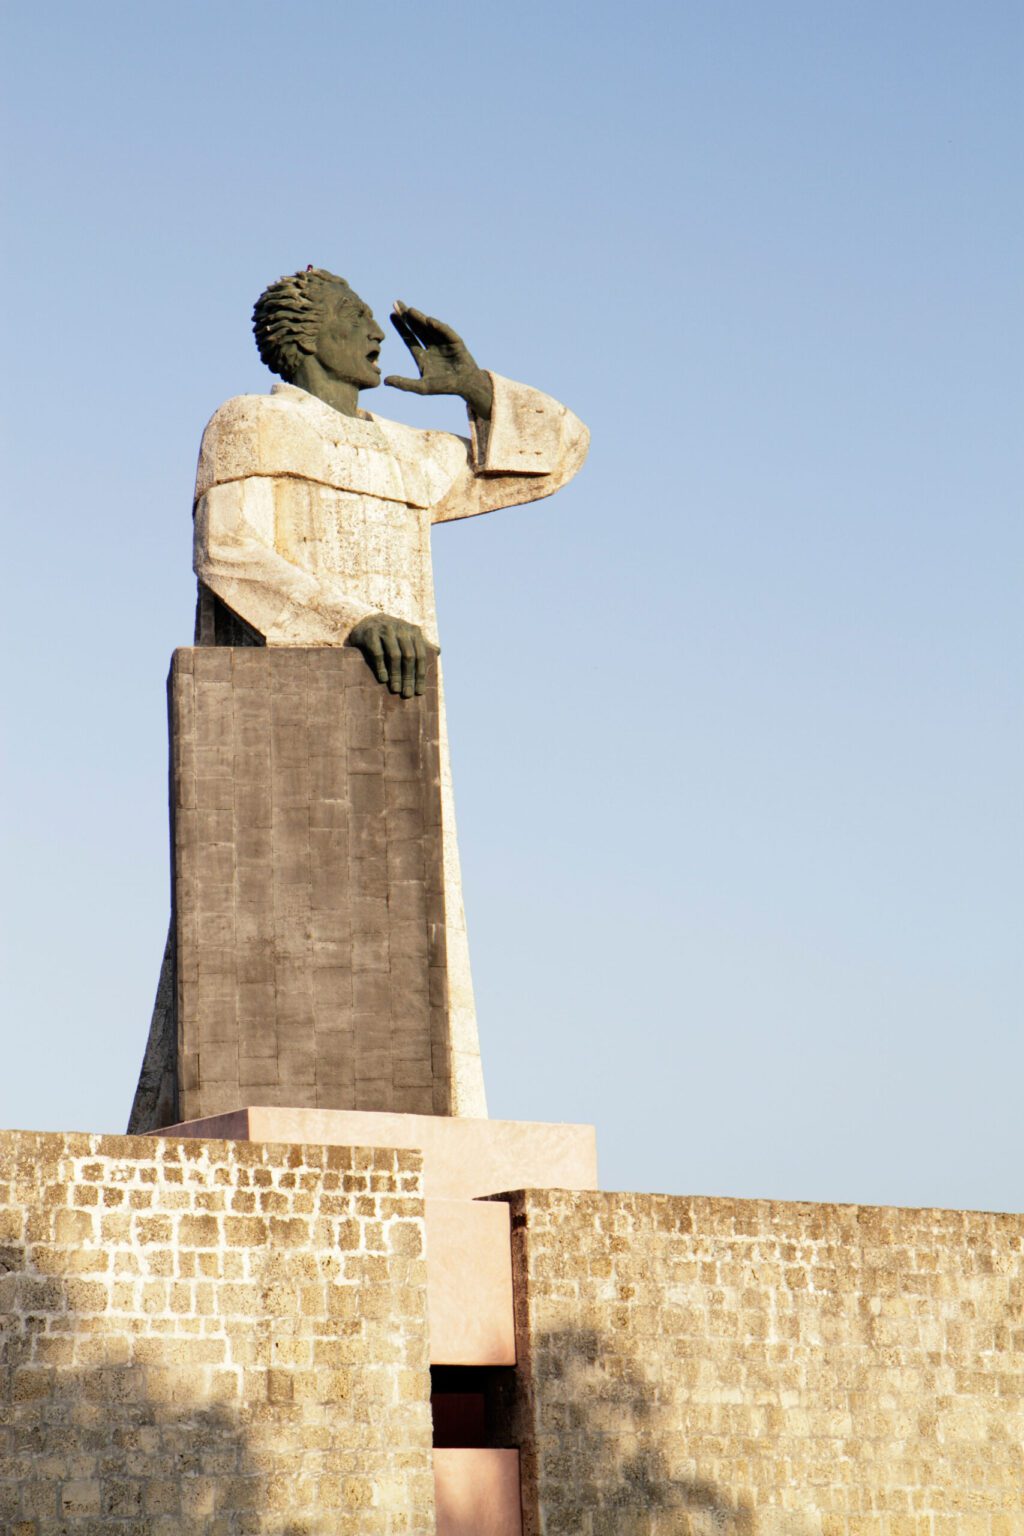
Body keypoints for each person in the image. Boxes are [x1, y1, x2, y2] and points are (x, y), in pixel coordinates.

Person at [191, 267, 589, 1115]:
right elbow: (229, 553)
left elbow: (554, 458)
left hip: (402, 719)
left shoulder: (404, 452)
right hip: (295, 708)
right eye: (355, 316)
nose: (375, 331)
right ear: (305, 339)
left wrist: (477, 389)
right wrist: (350, 623)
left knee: (415, 934)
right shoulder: (250, 423)